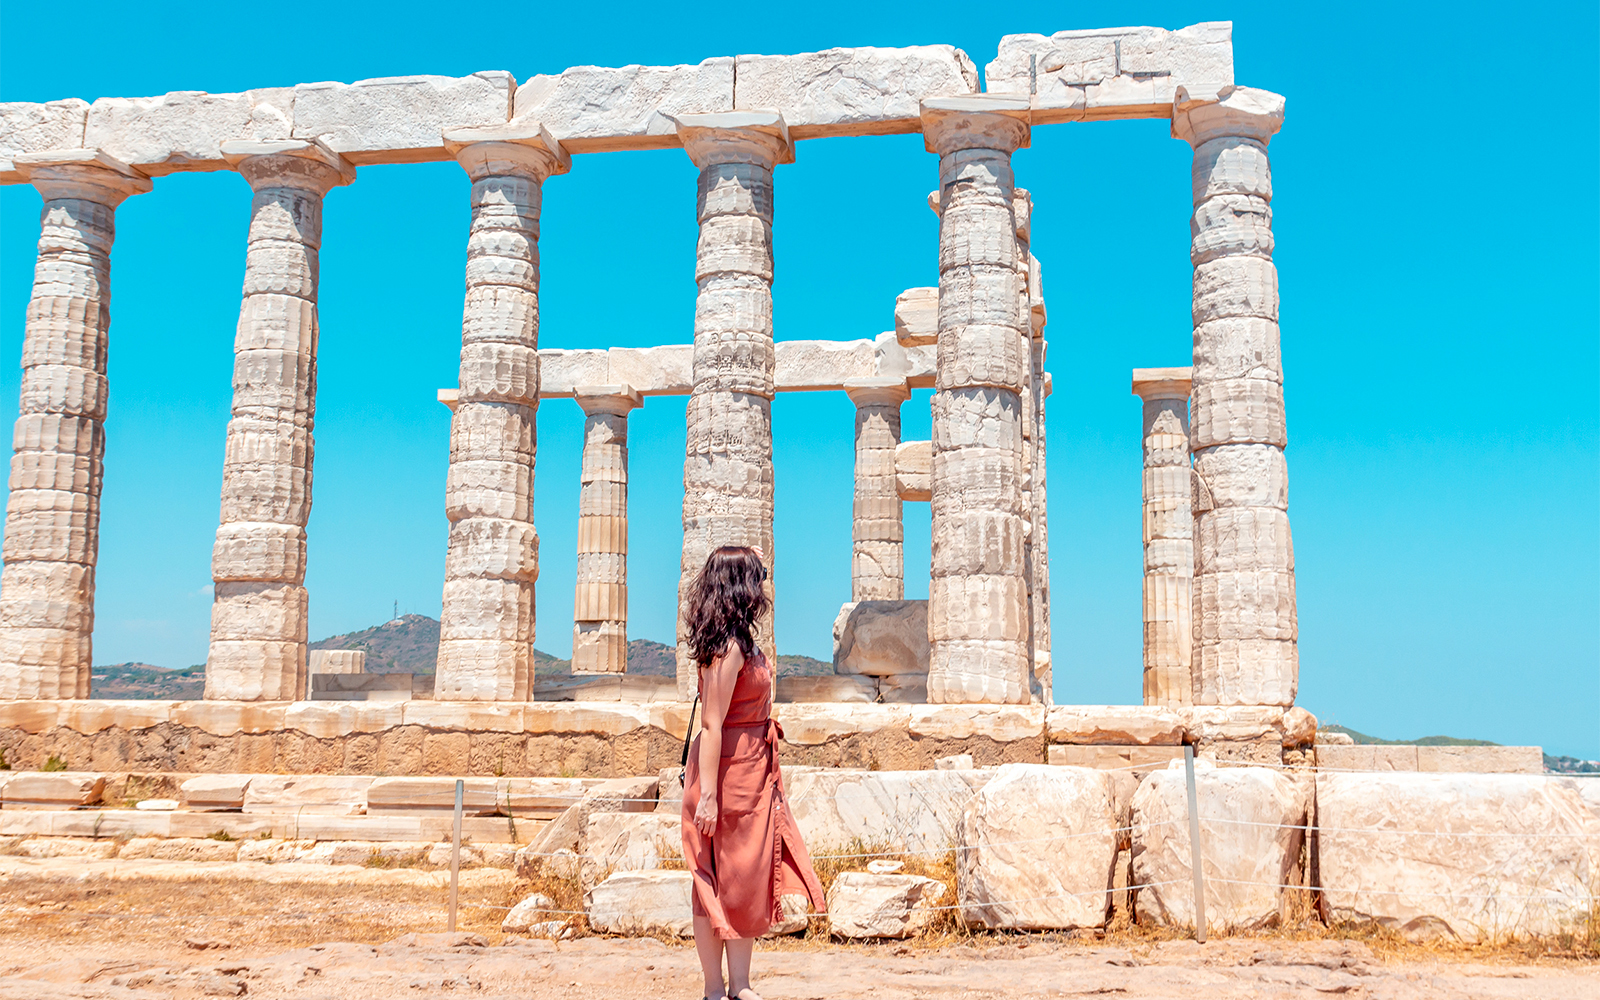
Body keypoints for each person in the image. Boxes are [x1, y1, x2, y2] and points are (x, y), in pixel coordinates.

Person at [681, 545, 825, 1000]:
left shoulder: (740, 640)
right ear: (742, 585)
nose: (765, 583)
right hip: (726, 773)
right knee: (714, 877)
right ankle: (713, 988)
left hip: (752, 767)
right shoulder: (725, 649)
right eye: (759, 574)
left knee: (744, 877)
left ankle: (740, 983)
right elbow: (711, 722)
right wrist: (707, 796)